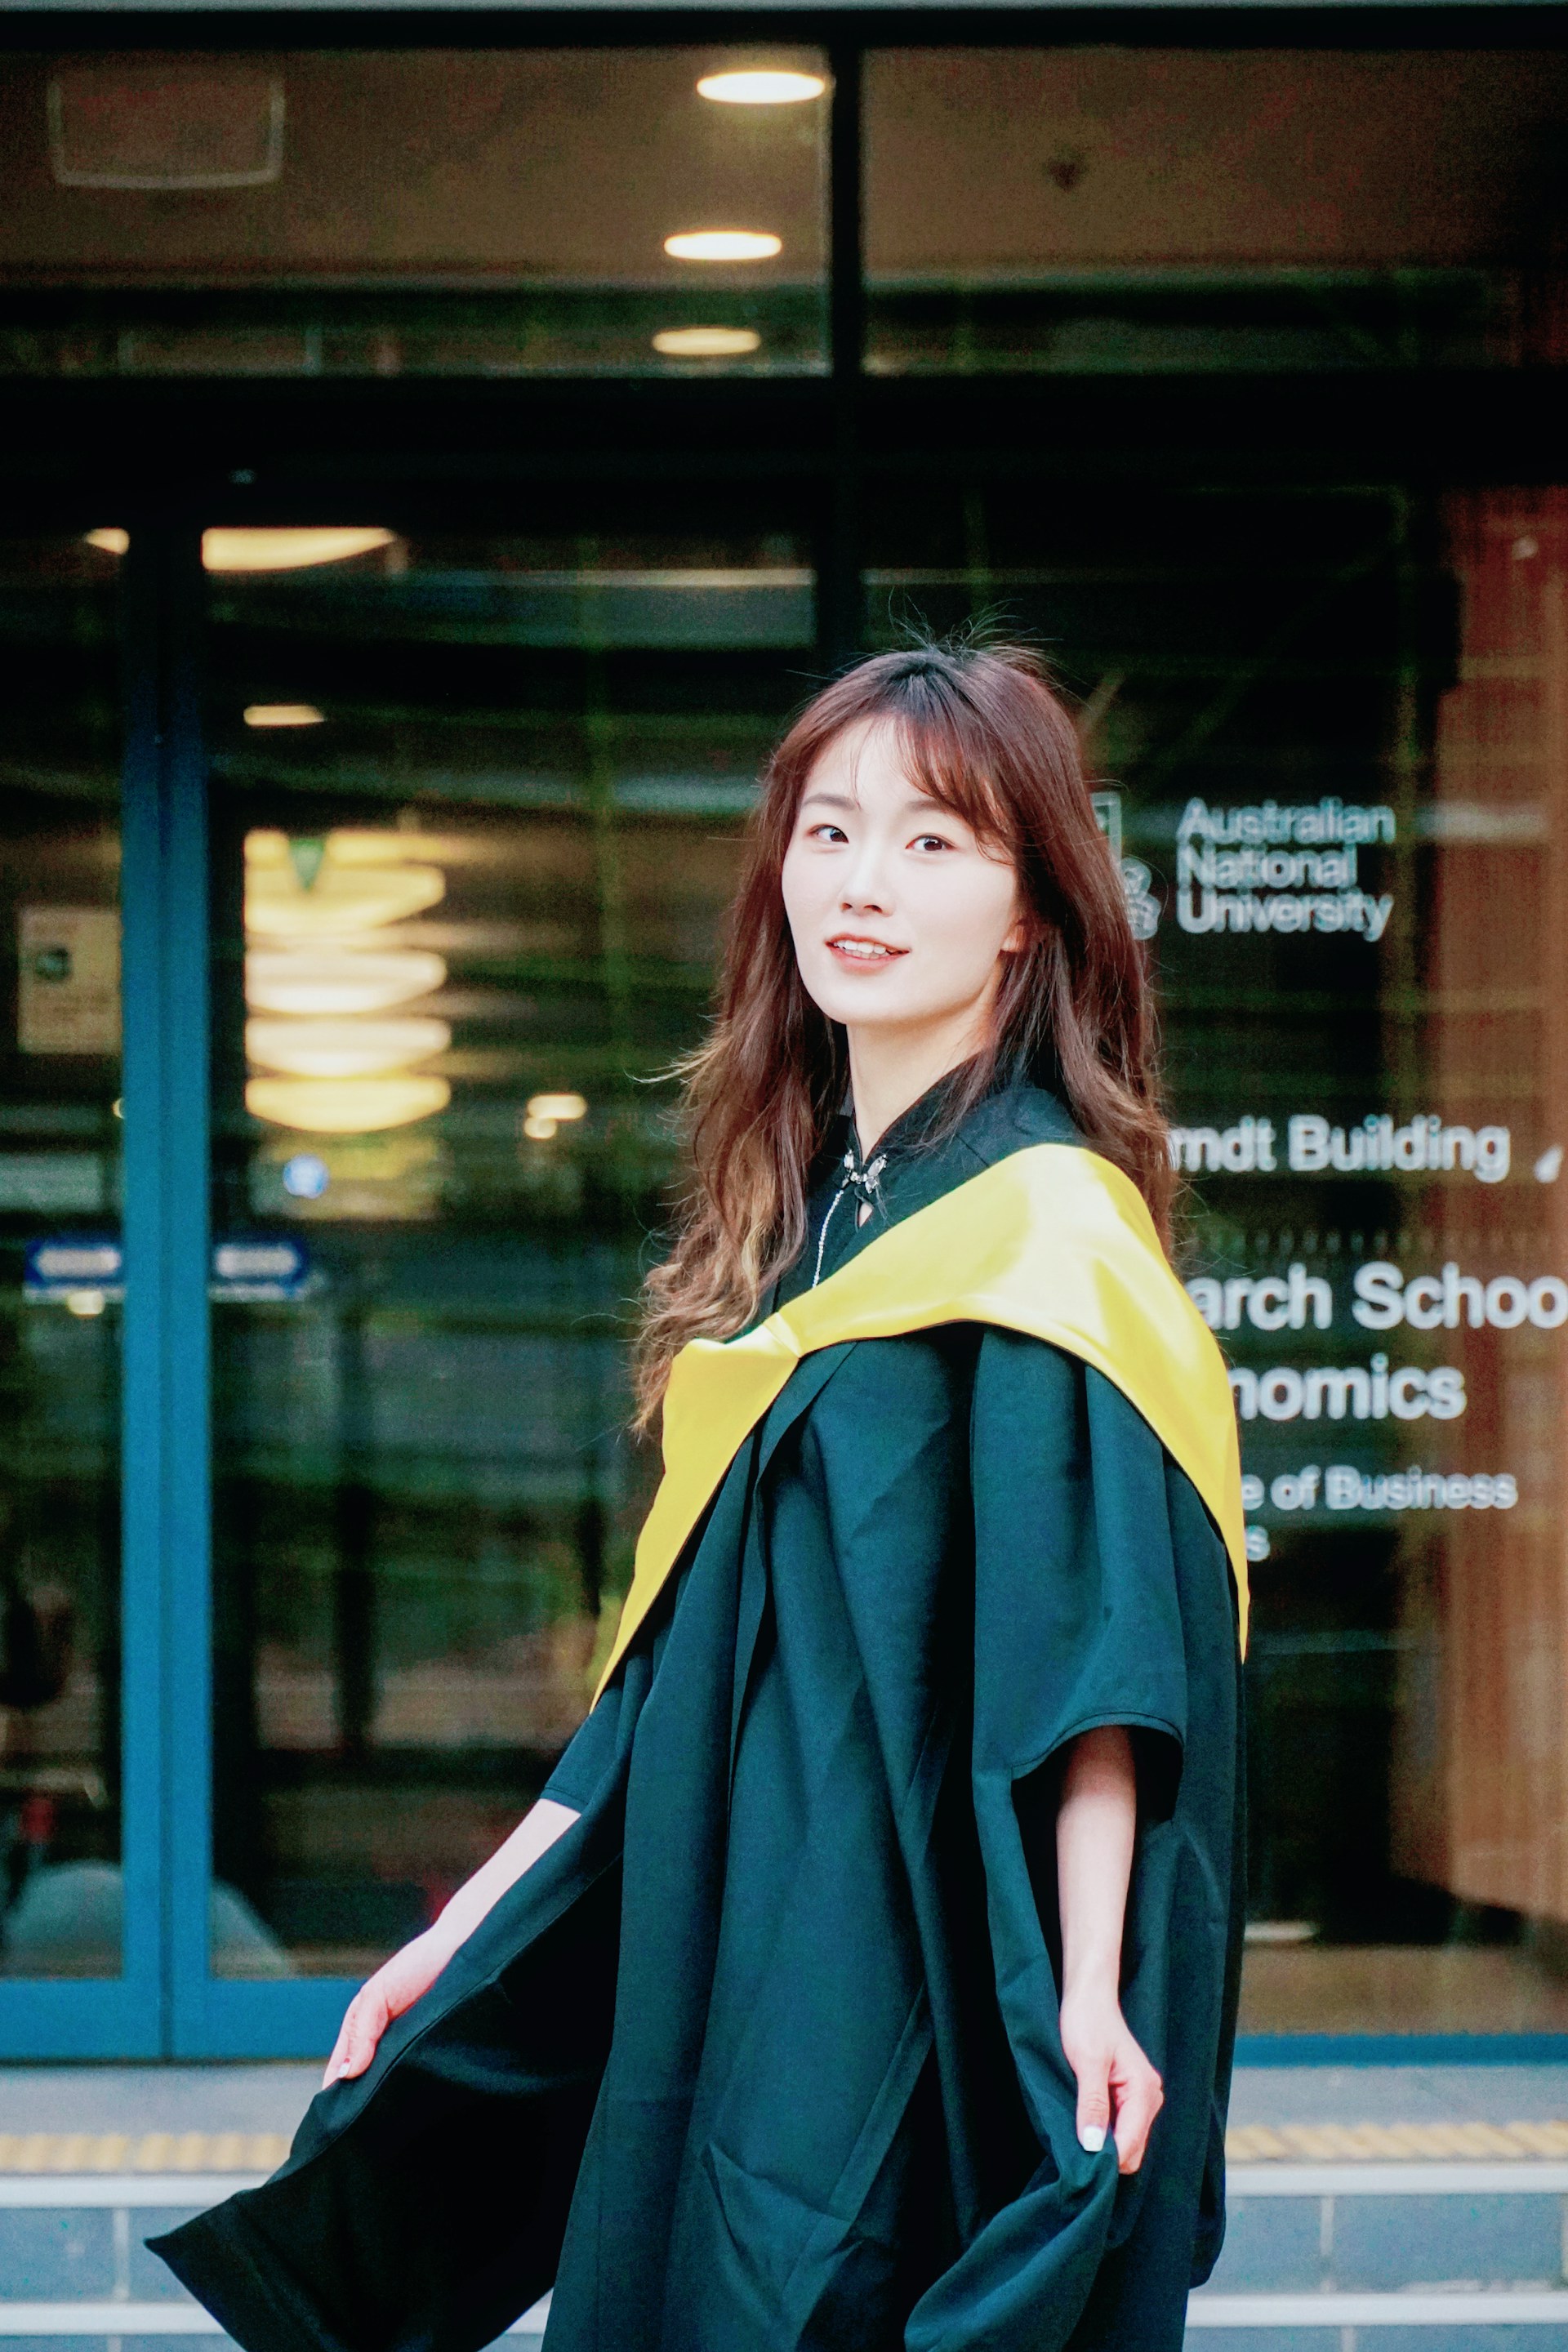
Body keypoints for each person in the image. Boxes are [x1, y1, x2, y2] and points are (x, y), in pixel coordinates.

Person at [152, 640, 1247, 2352]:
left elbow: (1097, 1660)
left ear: (1030, 911)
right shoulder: (821, 1231)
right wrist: (479, 1922)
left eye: (934, 844)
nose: (862, 886)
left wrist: (1095, 1988)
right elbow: (658, 1670)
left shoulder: (1050, 1234)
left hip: (896, 1942)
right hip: (727, 1904)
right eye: (829, 833)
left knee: (808, 2285)